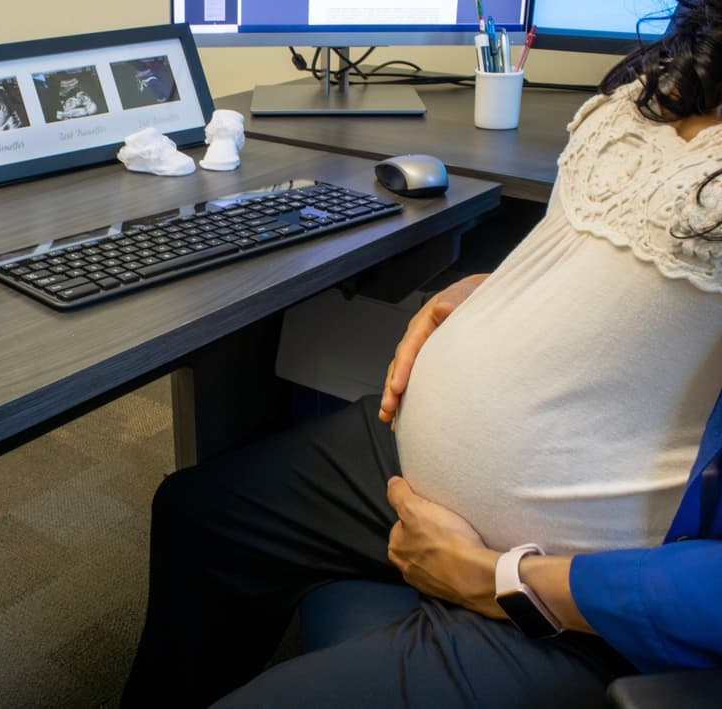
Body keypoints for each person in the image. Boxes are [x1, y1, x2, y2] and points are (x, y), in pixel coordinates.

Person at [121, 1, 722, 706]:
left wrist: (499, 576)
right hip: (418, 457)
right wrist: (506, 286)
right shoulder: (690, 62)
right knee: (200, 512)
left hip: (573, 585)